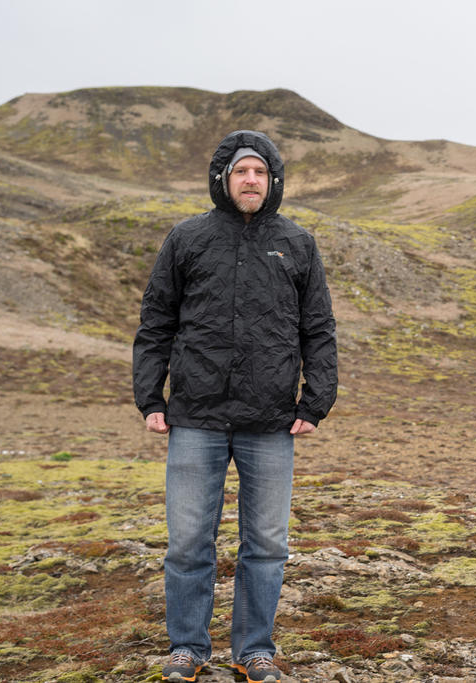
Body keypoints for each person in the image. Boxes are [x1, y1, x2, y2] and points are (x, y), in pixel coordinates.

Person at [133, 130, 338, 683]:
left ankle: (254, 649)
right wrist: (150, 396)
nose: (251, 181)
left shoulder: (298, 243)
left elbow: (318, 329)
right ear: (223, 177)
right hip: (195, 417)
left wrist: (315, 402)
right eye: (242, 171)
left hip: (271, 421)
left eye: (261, 173)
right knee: (189, 540)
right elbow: (157, 322)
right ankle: (187, 648)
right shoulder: (188, 238)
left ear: (273, 181)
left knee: (267, 544)